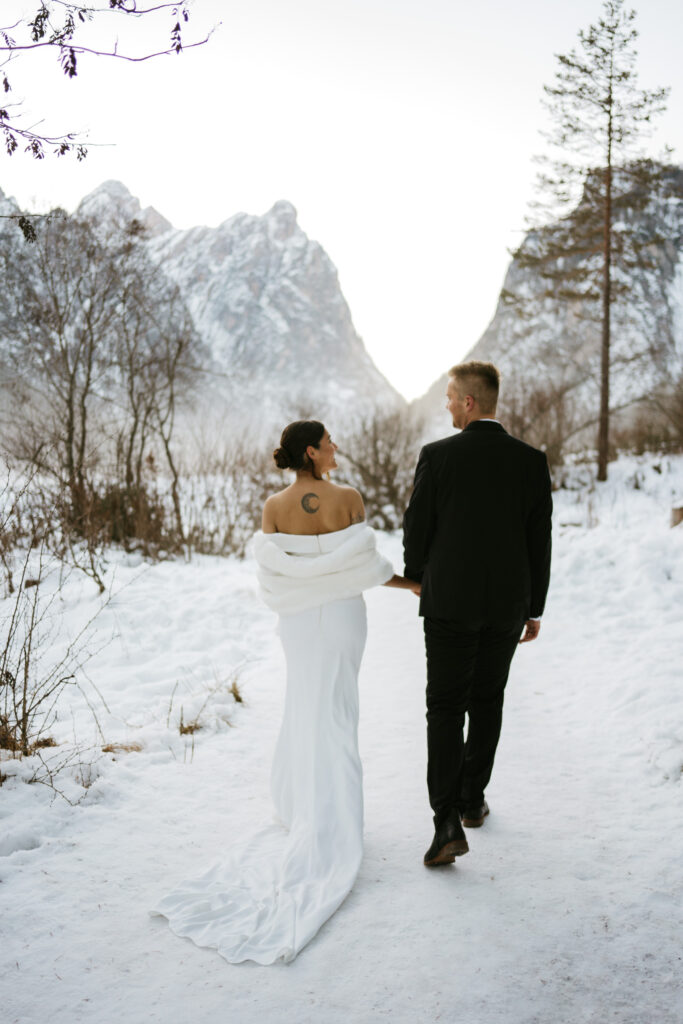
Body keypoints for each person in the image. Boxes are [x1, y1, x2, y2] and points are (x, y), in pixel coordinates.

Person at [152, 420, 415, 964]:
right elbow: (363, 568)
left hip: (297, 622)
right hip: (342, 619)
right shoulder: (348, 499)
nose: (338, 447)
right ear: (314, 451)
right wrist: (412, 583)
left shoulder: (274, 507)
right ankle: (335, 821)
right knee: (337, 712)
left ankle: (304, 807)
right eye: (331, 442)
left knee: (305, 708)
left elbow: (278, 576)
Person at [402, 361, 552, 867]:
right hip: (507, 606)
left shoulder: (437, 457)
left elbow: (417, 528)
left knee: (444, 707)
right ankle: (471, 801)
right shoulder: (531, 462)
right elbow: (540, 540)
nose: (445, 404)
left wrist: (418, 575)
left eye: (448, 397)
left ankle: (445, 820)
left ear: (468, 402)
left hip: (449, 604)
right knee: (487, 699)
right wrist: (533, 608)